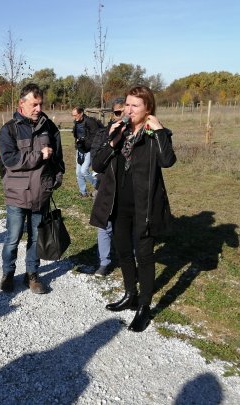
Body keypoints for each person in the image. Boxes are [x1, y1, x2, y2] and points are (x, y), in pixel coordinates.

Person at [90, 86, 176, 332]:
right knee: (124, 251)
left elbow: (167, 161)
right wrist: (112, 141)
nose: (128, 110)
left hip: (144, 206)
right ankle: (130, 294)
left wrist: (158, 130)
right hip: (118, 205)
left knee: (145, 255)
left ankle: (144, 307)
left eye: (134, 106)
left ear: (148, 109)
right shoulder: (119, 131)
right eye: (127, 105)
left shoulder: (155, 135)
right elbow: (97, 163)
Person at [0, 83, 65, 294]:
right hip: (17, 195)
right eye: (34, 104)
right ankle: (8, 273)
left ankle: (32, 275)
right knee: (13, 238)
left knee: (36, 238)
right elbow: (10, 160)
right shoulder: (8, 129)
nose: (38, 108)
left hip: (41, 194)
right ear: (22, 103)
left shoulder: (50, 128)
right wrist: (38, 155)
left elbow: (59, 159)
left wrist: (55, 180)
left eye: (40, 104)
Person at [90, 98, 126, 277]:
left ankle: (128, 256)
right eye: (118, 112)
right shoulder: (103, 133)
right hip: (105, 184)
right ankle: (104, 262)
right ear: (113, 113)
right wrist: (110, 139)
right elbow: (96, 160)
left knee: (127, 223)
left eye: (126, 111)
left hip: (127, 186)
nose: (122, 116)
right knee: (104, 224)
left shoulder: (135, 133)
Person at [72, 106, 100, 197]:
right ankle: (83, 192)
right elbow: (76, 134)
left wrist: (85, 141)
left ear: (81, 114)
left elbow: (96, 136)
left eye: (75, 115)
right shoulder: (76, 122)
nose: (74, 117)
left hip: (89, 150)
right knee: (78, 172)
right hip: (80, 149)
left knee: (84, 171)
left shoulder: (90, 122)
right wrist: (78, 143)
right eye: (73, 115)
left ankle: (99, 186)